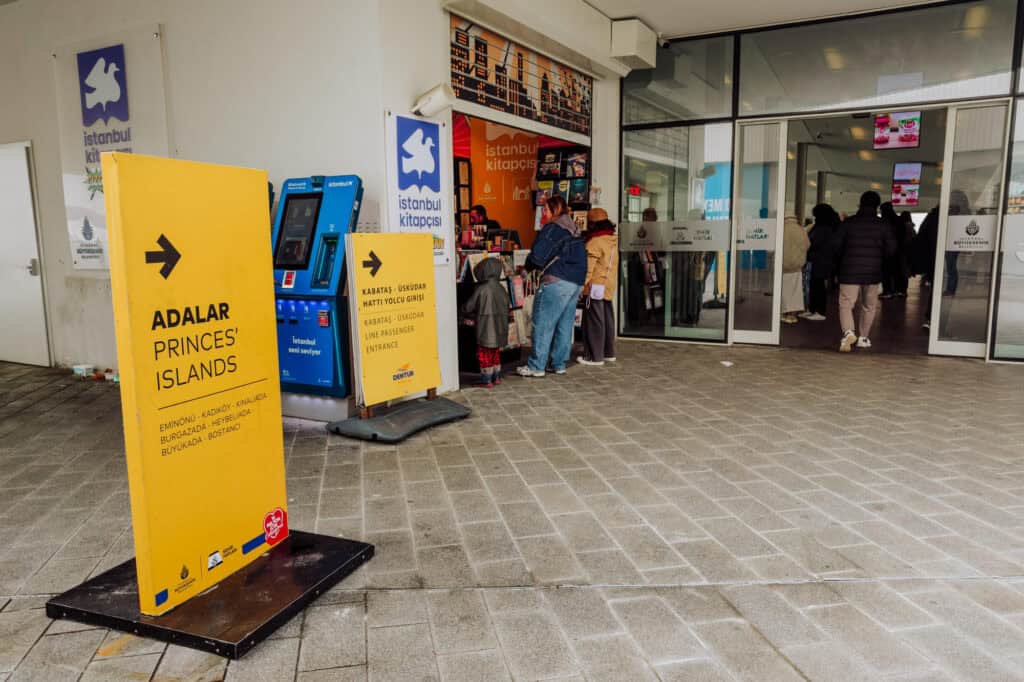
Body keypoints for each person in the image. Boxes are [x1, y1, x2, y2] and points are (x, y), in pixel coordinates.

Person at [517, 195, 586, 377]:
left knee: (543, 324)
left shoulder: (553, 229)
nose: (543, 214)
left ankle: (536, 366)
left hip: (557, 280)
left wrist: (526, 269)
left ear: (554, 210)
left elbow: (537, 256)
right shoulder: (573, 227)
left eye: (545, 209)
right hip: (576, 282)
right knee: (565, 324)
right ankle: (559, 364)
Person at [833, 190, 896, 352]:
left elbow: (836, 247)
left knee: (846, 304)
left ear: (860, 204)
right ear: (877, 206)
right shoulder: (883, 224)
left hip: (849, 271)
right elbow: (891, 250)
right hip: (873, 272)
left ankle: (848, 332)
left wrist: (842, 261)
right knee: (869, 306)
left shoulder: (848, 223)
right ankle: (863, 337)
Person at [577, 208, 618, 366]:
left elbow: (589, 268)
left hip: (595, 285)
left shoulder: (594, 242)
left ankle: (595, 356)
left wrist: (581, 286)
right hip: (608, 285)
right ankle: (608, 352)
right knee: (607, 319)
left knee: (594, 321)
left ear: (592, 224)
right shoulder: (613, 240)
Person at [461, 258, 510, 387]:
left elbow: (468, 307)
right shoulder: (502, 288)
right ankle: (497, 376)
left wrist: (462, 312)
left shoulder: (481, 289)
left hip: (485, 328)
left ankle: (486, 379)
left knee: (484, 354)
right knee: (495, 353)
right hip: (500, 327)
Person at [800, 203, 839, 321]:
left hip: (820, 261)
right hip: (819, 260)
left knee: (818, 286)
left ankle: (820, 311)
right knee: (814, 285)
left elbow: (814, 242)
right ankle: (812, 310)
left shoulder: (823, 228)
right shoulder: (826, 226)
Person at [912, 206, 939, 329]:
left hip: (932, 260)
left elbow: (921, 239)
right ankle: (933, 318)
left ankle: (930, 318)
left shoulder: (932, 217)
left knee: (936, 289)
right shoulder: (945, 217)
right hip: (939, 259)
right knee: (940, 289)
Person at [781, 215, 809, 324]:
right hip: (797, 265)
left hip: (783, 264)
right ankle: (792, 315)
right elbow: (808, 244)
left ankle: (783, 313)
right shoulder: (800, 229)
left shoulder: (782, 229)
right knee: (795, 291)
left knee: (783, 290)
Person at [880, 202, 911, 299]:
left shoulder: (883, 222)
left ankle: (888, 291)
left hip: (887, 252)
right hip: (900, 251)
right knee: (900, 272)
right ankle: (900, 291)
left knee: (886, 272)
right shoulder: (900, 220)